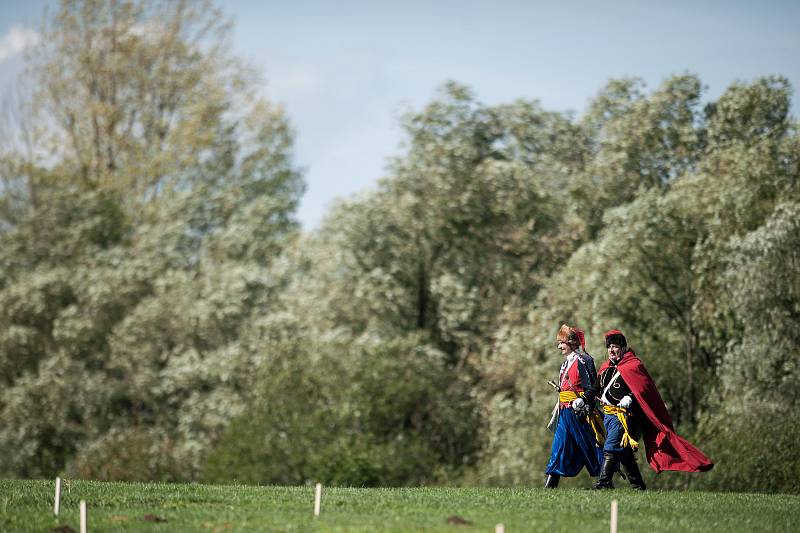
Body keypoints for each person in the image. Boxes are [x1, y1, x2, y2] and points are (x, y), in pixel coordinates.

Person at [583, 329, 714, 490]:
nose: (611, 350)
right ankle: (638, 485)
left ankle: (604, 484)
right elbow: (595, 388)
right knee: (624, 453)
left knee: (610, 448)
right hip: (608, 416)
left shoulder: (634, 366)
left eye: (615, 346)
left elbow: (644, 390)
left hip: (627, 418)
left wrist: (630, 397)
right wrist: (582, 400)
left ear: (623, 348)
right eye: (609, 346)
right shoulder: (605, 368)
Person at [543, 324, 605, 488]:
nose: (559, 346)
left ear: (570, 342)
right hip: (564, 412)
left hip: (579, 413)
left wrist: (584, 402)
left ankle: (605, 482)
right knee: (559, 446)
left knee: (589, 446)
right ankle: (550, 487)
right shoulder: (564, 365)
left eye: (561, 342)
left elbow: (593, 387)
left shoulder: (584, 361)